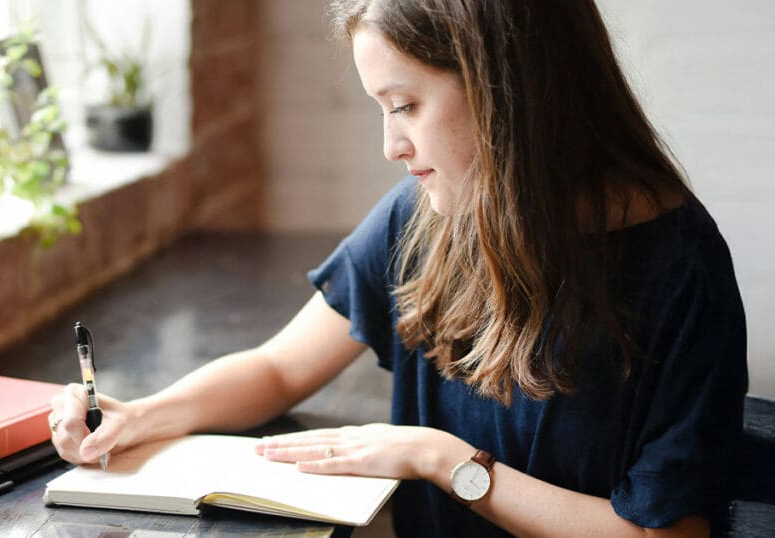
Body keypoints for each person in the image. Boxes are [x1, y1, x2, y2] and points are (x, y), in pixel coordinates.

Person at [50, 1, 748, 536]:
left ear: (509, 88)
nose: (391, 145)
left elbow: (667, 532)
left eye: (407, 106)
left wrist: (443, 461)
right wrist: (140, 416)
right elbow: (278, 370)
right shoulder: (424, 215)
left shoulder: (681, 270)